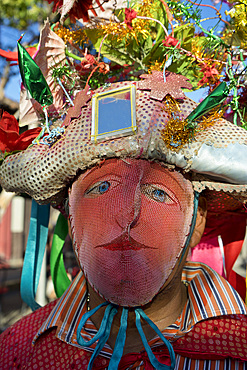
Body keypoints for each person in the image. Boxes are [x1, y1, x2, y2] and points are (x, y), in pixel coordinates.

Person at [1, 74, 247, 369]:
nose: (128, 215)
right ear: (70, 214)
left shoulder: (238, 350)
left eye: (157, 192)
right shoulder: (15, 353)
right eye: (102, 188)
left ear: (197, 221)